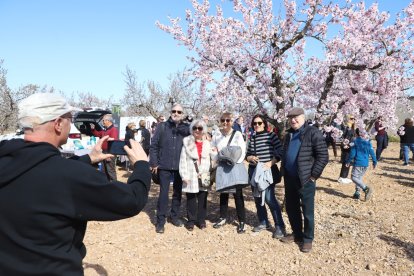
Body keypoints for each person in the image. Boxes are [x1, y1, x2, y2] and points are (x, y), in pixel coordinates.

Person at [0, 93, 151, 275]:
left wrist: (89, 158)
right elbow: (131, 200)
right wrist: (142, 166)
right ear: (57, 124)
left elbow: (42, 172)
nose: (71, 124)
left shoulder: (8, 161)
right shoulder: (70, 176)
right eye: (69, 119)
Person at [280, 107, 328, 253]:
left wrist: (313, 176)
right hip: (289, 178)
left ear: (303, 117)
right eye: (290, 118)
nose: (293, 120)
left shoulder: (313, 132)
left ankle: (308, 239)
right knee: (291, 208)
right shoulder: (288, 134)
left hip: (305, 179)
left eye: (296, 117)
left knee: (307, 211)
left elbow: (323, 156)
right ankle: (297, 234)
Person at [150, 103, 190, 234]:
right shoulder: (162, 126)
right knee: (163, 194)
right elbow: (154, 145)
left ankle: (174, 216)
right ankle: (160, 221)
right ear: (170, 112)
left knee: (178, 193)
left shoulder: (186, 128)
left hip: (180, 166)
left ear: (182, 114)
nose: (176, 113)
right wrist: (154, 163)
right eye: (174, 111)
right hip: (164, 165)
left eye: (179, 112)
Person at [246, 114, 286, 238]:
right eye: (254, 123)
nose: (257, 125)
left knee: (269, 199)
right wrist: (250, 157)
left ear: (264, 124)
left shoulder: (271, 136)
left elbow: (280, 152)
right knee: (258, 198)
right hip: (255, 171)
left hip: (268, 172)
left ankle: (280, 226)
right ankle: (263, 221)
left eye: (259, 123)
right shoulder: (252, 138)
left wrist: (271, 163)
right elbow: (247, 154)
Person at [211, 112, 248, 233]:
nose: (225, 123)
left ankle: (242, 221)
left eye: (228, 120)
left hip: (234, 166)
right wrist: (216, 159)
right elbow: (213, 149)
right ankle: (222, 217)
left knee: (238, 194)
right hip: (222, 165)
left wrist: (234, 161)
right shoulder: (216, 134)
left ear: (232, 121)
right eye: (223, 120)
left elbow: (242, 151)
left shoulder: (237, 134)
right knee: (223, 193)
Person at [179, 119, 213, 231]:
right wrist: (184, 175)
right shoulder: (187, 144)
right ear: (191, 129)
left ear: (203, 131)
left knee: (203, 198)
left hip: (204, 175)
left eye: (200, 128)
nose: (197, 130)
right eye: (195, 128)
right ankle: (191, 220)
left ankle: (201, 220)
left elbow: (213, 159)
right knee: (191, 199)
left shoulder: (208, 144)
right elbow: (182, 160)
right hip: (191, 174)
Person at [345, 128, 376, 201]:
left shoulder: (355, 142)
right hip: (365, 164)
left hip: (358, 163)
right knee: (359, 178)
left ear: (356, 134)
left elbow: (352, 153)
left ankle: (366, 188)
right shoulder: (367, 142)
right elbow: (372, 152)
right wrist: (374, 161)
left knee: (354, 177)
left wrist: (348, 161)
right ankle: (357, 192)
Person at [91, 113, 119, 181]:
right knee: (104, 171)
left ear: (108, 121)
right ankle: (106, 185)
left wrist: (108, 155)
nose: (103, 122)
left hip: (109, 152)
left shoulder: (113, 129)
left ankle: (114, 186)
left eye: (103, 120)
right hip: (104, 152)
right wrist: (93, 129)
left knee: (110, 171)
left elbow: (114, 140)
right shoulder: (105, 130)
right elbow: (97, 134)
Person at [337, 115, 356, 184]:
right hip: (346, 147)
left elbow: (353, 139)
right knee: (346, 161)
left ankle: (344, 177)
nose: (353, 120)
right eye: (351, 118)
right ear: (348, 119)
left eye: (354, 118)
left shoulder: (352, 129)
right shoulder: (345, 128)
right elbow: (341, 136)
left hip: (350, 147)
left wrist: (350, 145)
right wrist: (344, 145)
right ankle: (342, 177)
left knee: (348, 161)